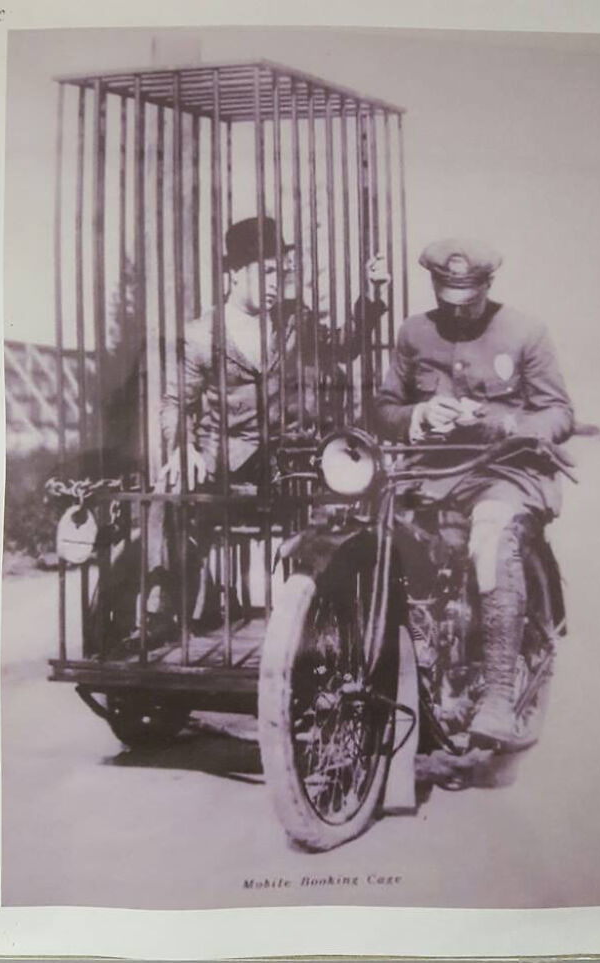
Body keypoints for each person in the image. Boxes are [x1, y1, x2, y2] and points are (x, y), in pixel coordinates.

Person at [375, 238, 574, 748]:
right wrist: (418, 416)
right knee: (386, 546)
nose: (457, 309)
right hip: (430, 475)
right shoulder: (415, 332)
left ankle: (499, 698)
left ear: (488, 284)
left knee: (490, 536)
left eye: (468, 297)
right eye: (447, 297)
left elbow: (558, 414)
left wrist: (502, 422)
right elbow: (384, 408)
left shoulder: (525, 331)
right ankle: (404, 670)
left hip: (504, 472)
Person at [147, 216, 388, 622]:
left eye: (282, 271)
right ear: (236, 274)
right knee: (168, 486)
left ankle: (324, 609)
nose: (277, 282)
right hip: (221, 456)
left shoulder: (295, 321)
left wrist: (373, 294)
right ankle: (162, 603)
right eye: (267, 272)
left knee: (340, 493)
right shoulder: (202, 334)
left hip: (285, 457)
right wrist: (182, 447)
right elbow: (175, 402)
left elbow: (344, 348)